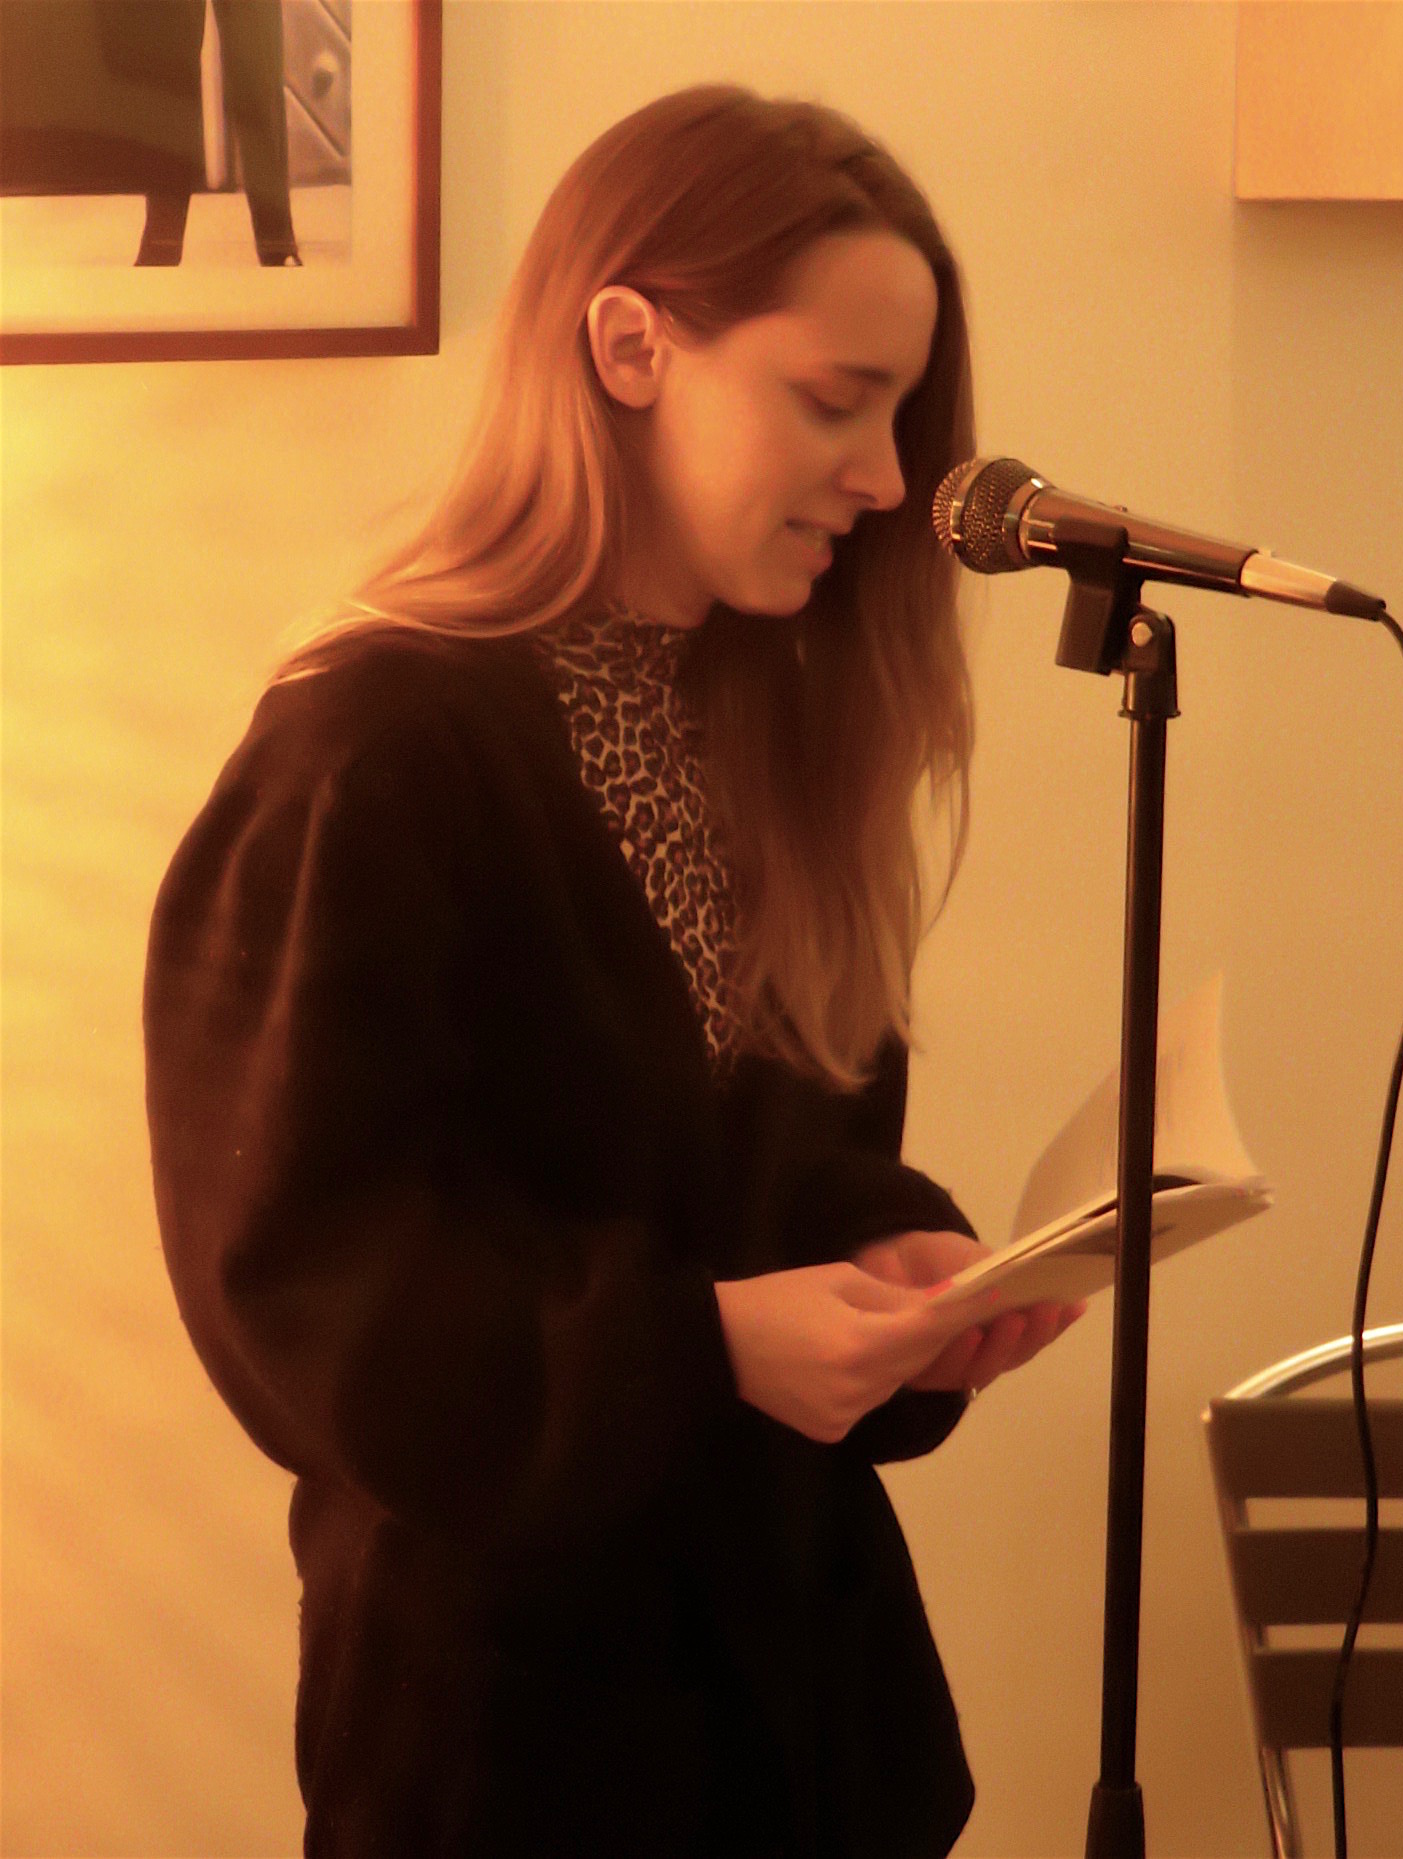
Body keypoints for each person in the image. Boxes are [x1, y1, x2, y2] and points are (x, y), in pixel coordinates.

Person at [143, 84, 1082, 1858]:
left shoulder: (758, 717)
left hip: (803, 1723)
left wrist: (893, 1261)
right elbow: (308, 1289)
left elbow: (754, 1154)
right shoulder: (371, 754)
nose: (890, 480)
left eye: (900, 415)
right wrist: (702, 1346)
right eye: (836, 400)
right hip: (512, 1751)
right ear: (631, 347)